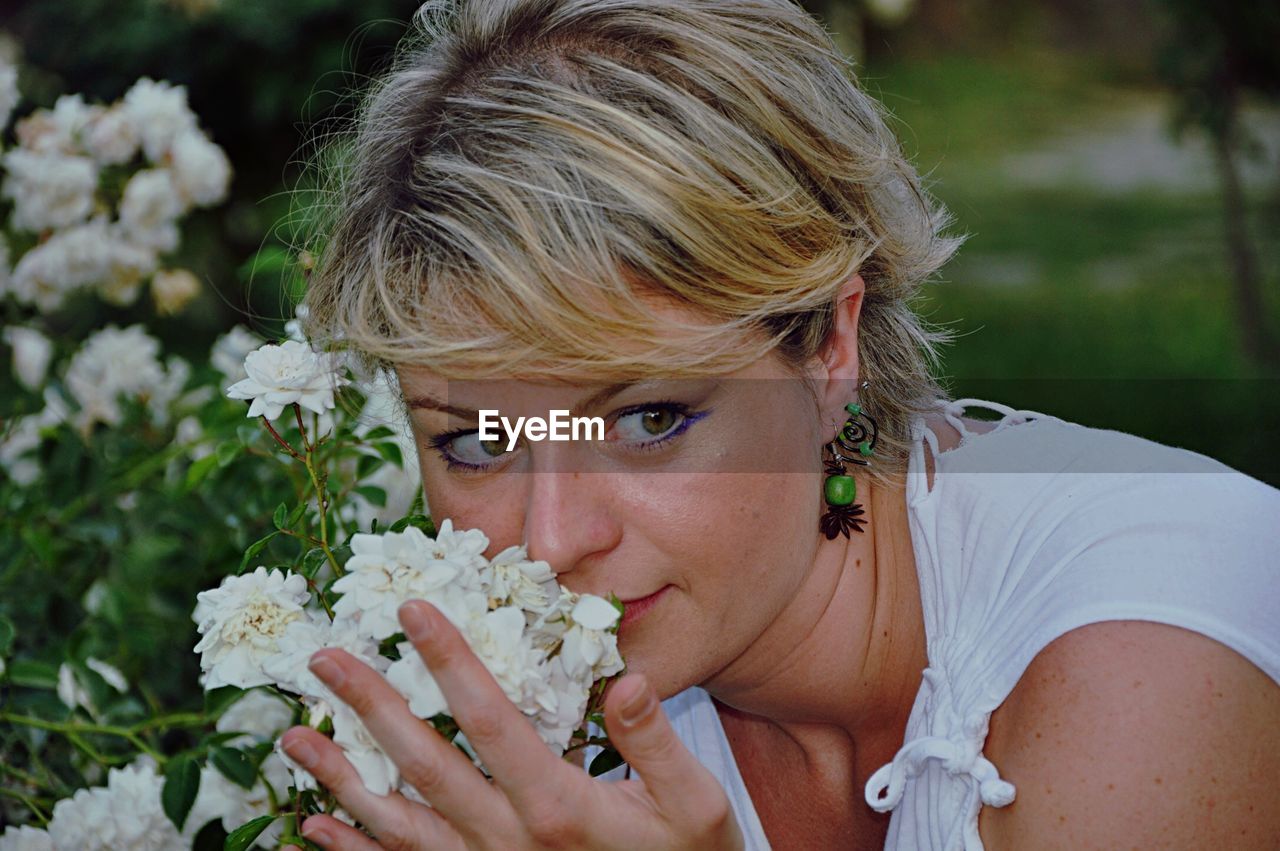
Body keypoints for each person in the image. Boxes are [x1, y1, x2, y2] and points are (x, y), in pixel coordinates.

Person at [280, 0, 1280, 847]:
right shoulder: (539, 740)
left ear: (829, 349)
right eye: (479, 441)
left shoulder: (1142, 662)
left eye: (649, 416)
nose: (547, 543)